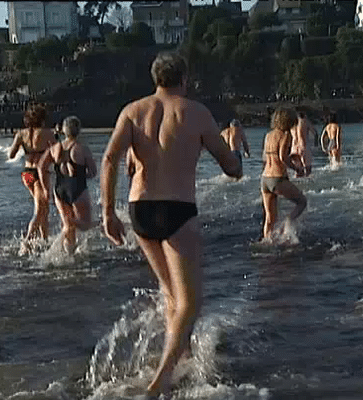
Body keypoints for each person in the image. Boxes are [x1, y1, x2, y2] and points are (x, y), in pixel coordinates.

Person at [100, 52, 242, 398]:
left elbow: (109, 158)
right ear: (185, 78)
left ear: (155, 78)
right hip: (178, 210)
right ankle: (161, 380)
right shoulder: (195, 112)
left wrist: (108, 213)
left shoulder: (132, 111)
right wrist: (236, 158)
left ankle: (184, 354)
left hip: (140, 209)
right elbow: (230, 167)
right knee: (190, 302)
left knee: (169, 291)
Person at [38, 116, 96, 254]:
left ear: (64, 131)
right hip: (77, 187)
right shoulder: (82, 149)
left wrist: (46, 189)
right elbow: (93, 172)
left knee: (68, 227)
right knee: (85, 225)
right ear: (79, 130)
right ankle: (68, 228)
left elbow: (41, 166)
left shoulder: (54, 148)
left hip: (59, 189)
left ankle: (68, 255)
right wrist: (83, 175)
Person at [8, 102, 56, 253]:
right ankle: (27, 240)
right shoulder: (47, 133)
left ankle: (45, 239)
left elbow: (11, 154)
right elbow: (57, 153)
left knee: (44, 208)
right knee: (40, 210)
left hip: (26, 173)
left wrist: (28, 150)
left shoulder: (21, 134)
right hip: (41, 174)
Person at [261, 108, 307, 239]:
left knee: (269, 218)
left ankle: (267, 243)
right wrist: (296, 168)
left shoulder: (268, 135)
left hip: (265, 179)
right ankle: (288, 221)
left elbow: (268, 157)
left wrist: (291, 156)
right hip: (277, 178)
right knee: (302, 202)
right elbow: (282, 157)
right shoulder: (286, 135)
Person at [290, 110, 314, 177]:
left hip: (294, 148)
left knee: (298, 172)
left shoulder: (292, 126)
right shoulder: (305, 122)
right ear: (305, 116)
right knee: (308, 172)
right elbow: (314, 132)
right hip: (303, 146)